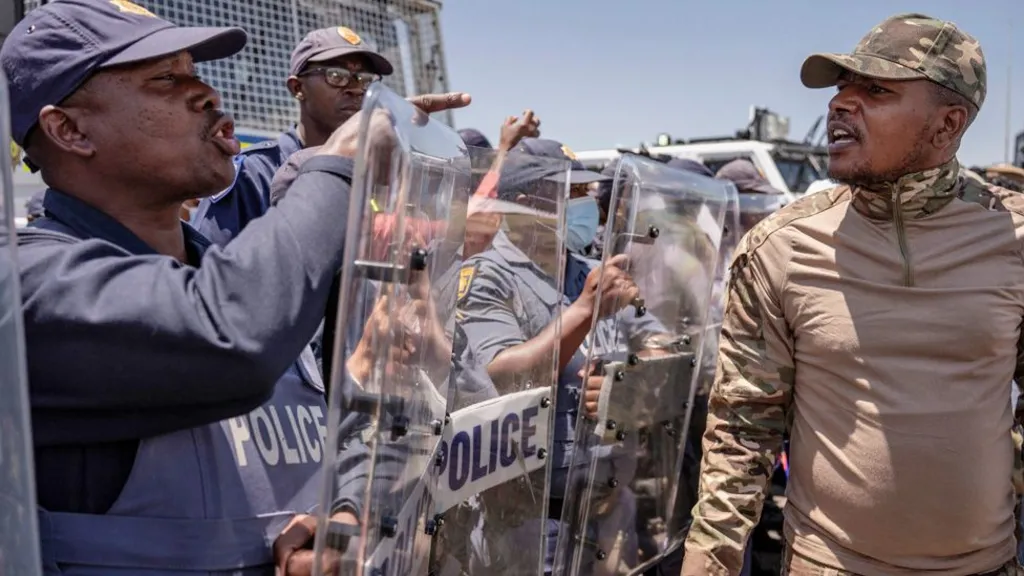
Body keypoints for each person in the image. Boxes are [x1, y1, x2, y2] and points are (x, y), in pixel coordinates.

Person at [2, 1, 469, 574]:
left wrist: (337, 523)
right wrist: (337, 165)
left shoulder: (239, 275)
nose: (206, 94)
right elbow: (230, 336)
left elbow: (313, 442)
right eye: (166, 79)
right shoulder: (28, 285)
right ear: (69, 129)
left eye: (196, 73)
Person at [684, 12, 1024, 576]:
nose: (841, 104)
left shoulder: (1012, 239)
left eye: (874, 90)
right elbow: (742, 428)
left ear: (948, 123)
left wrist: (988, 487)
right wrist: (706, 563)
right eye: (841, 88)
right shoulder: (780, 247)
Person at [192, 24, 394, 246]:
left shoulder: (378, 172)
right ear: (297, 87)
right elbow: (208, 267)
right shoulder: (254, 175)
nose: (356, 89)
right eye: (337, 76)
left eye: (365, 80)